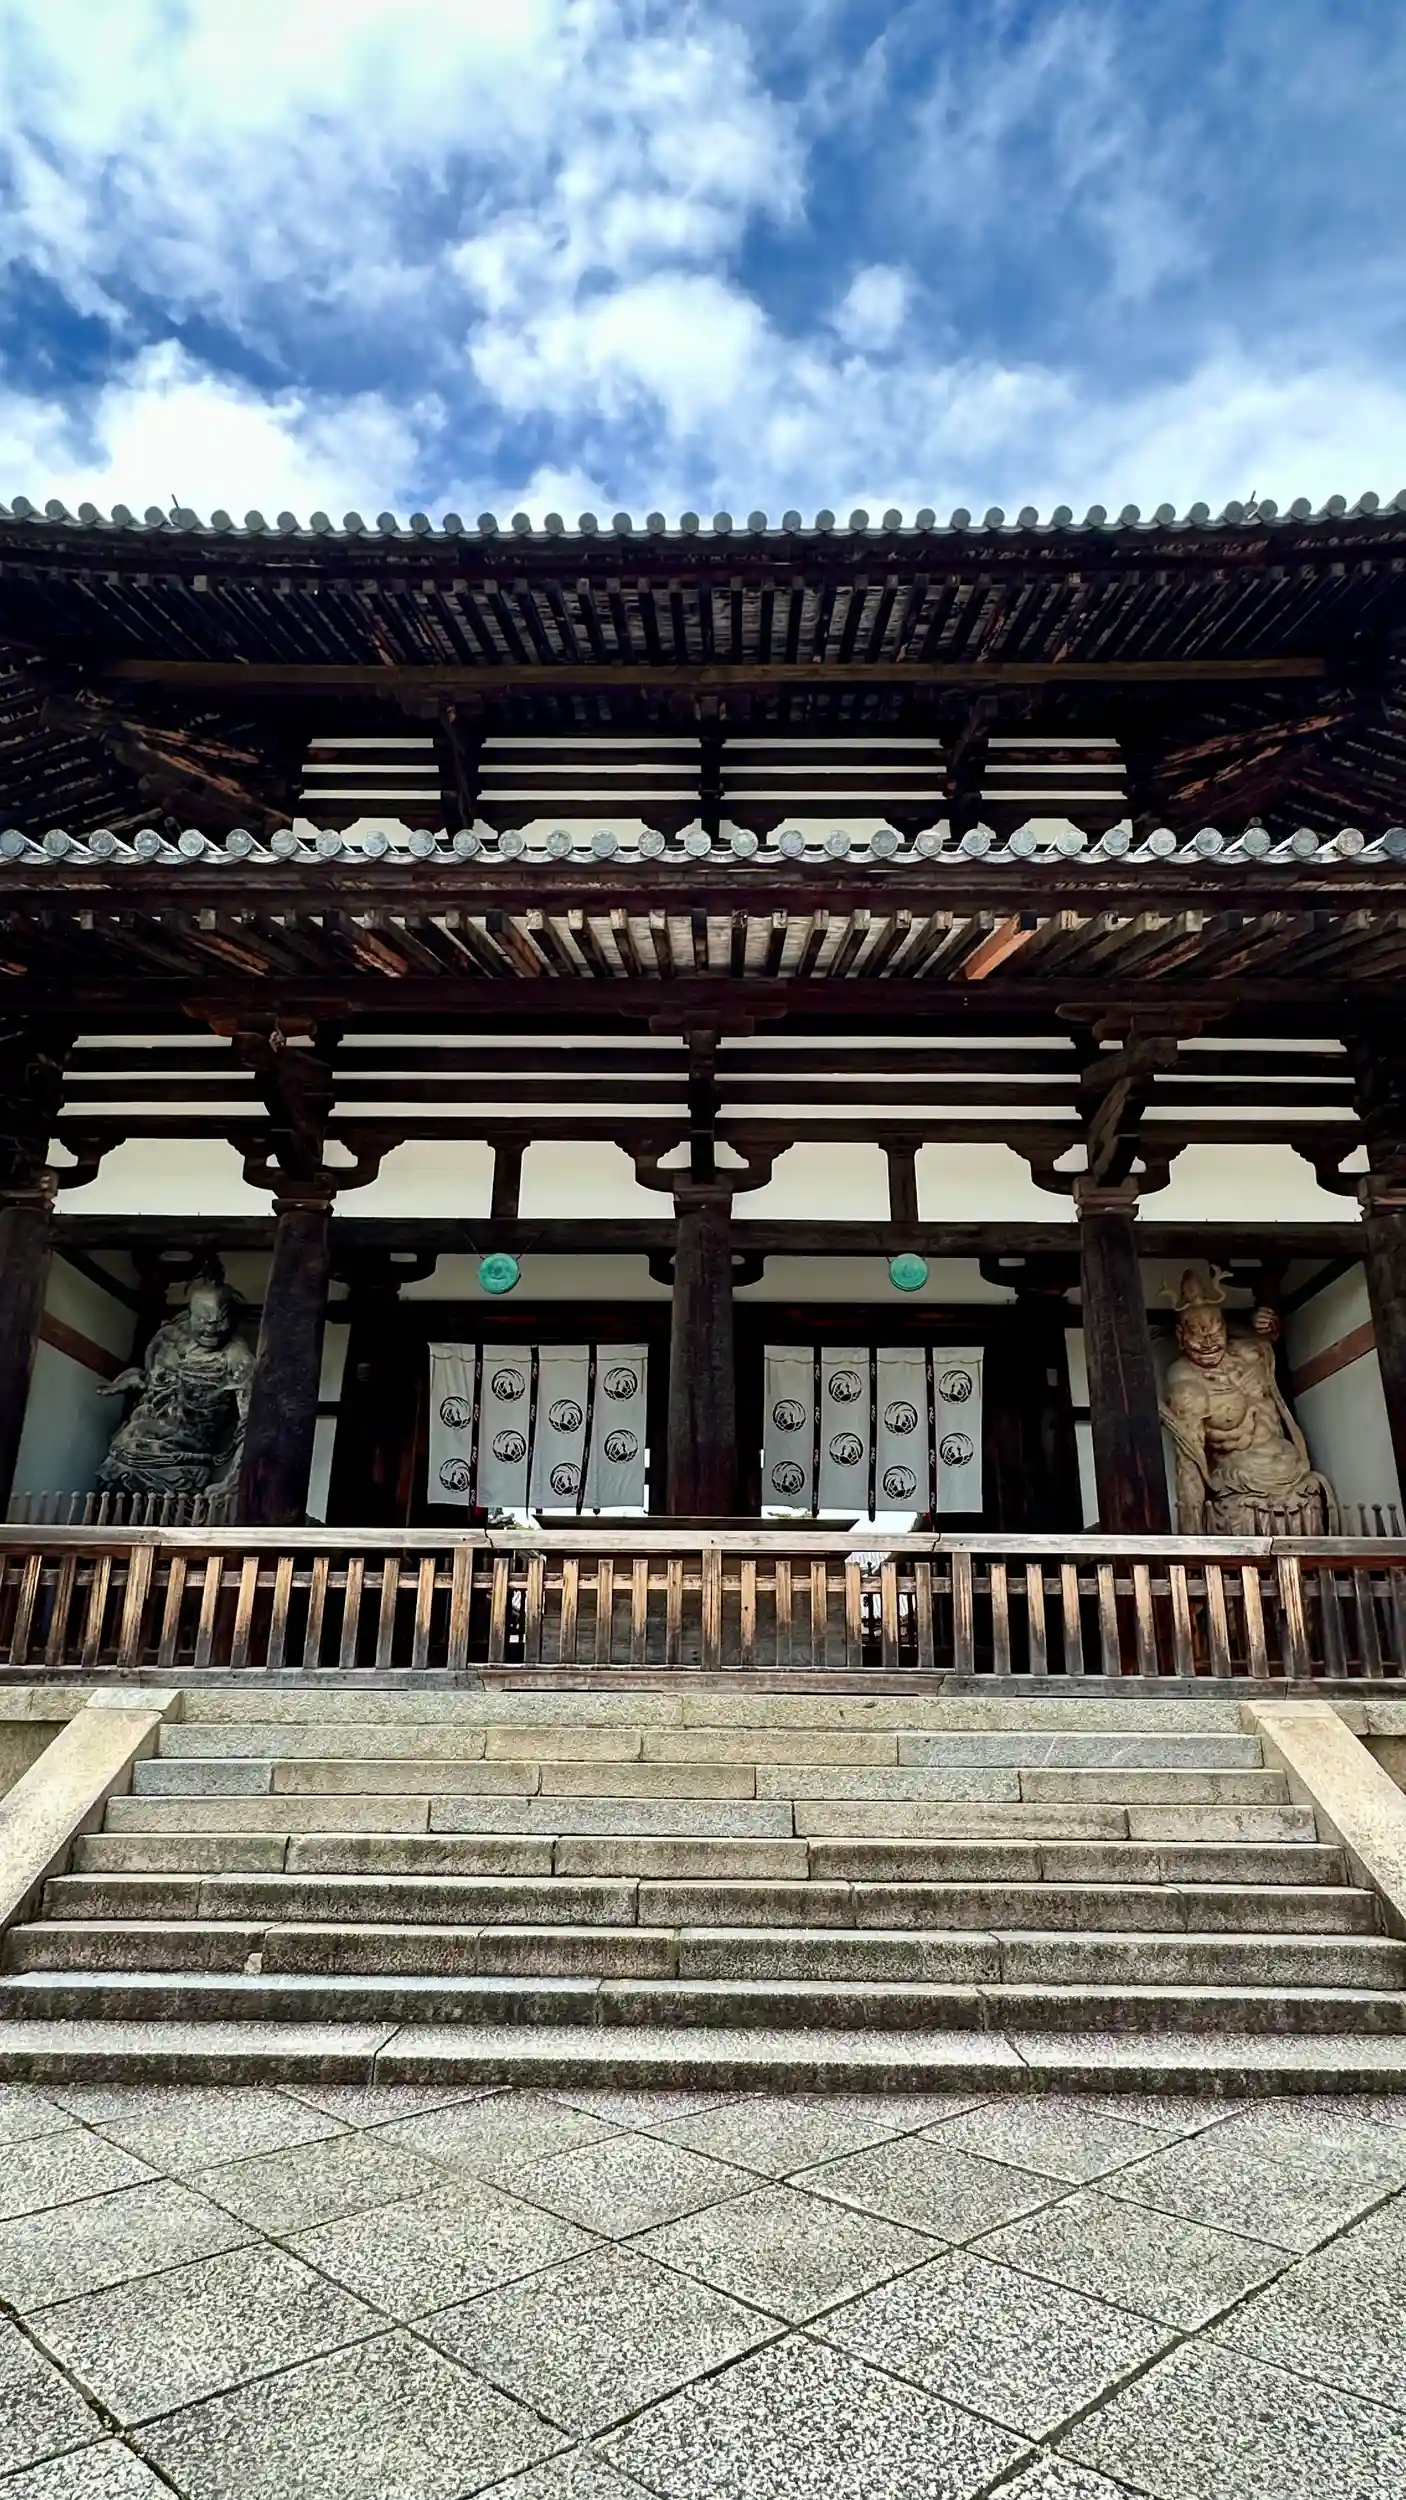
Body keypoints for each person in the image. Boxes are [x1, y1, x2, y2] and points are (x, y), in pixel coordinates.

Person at [1159, 1269, 1333, 1534]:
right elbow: (1189, 1464)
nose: (1208, 1343)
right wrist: (1191, 1538)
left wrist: (1262, 1321)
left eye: (1216, 1332)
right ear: (1181, 1336)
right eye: (1197, 1335)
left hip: (1295, 1473)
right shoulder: (1186, 1385)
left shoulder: (1250, 1354)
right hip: (1241, 1487)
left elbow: (1266, 1337)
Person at [98, 1282, 253, 1500]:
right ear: (190, 1313)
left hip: (178, 1466)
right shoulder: (167, 1339)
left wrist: (230, 1482)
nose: (210, 1329)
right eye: (202, 1319)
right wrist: (135, 1378)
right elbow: (150, 1380)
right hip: (122, 1454)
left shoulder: (237, 1359)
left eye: (219, 1321)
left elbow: (251, 1427)